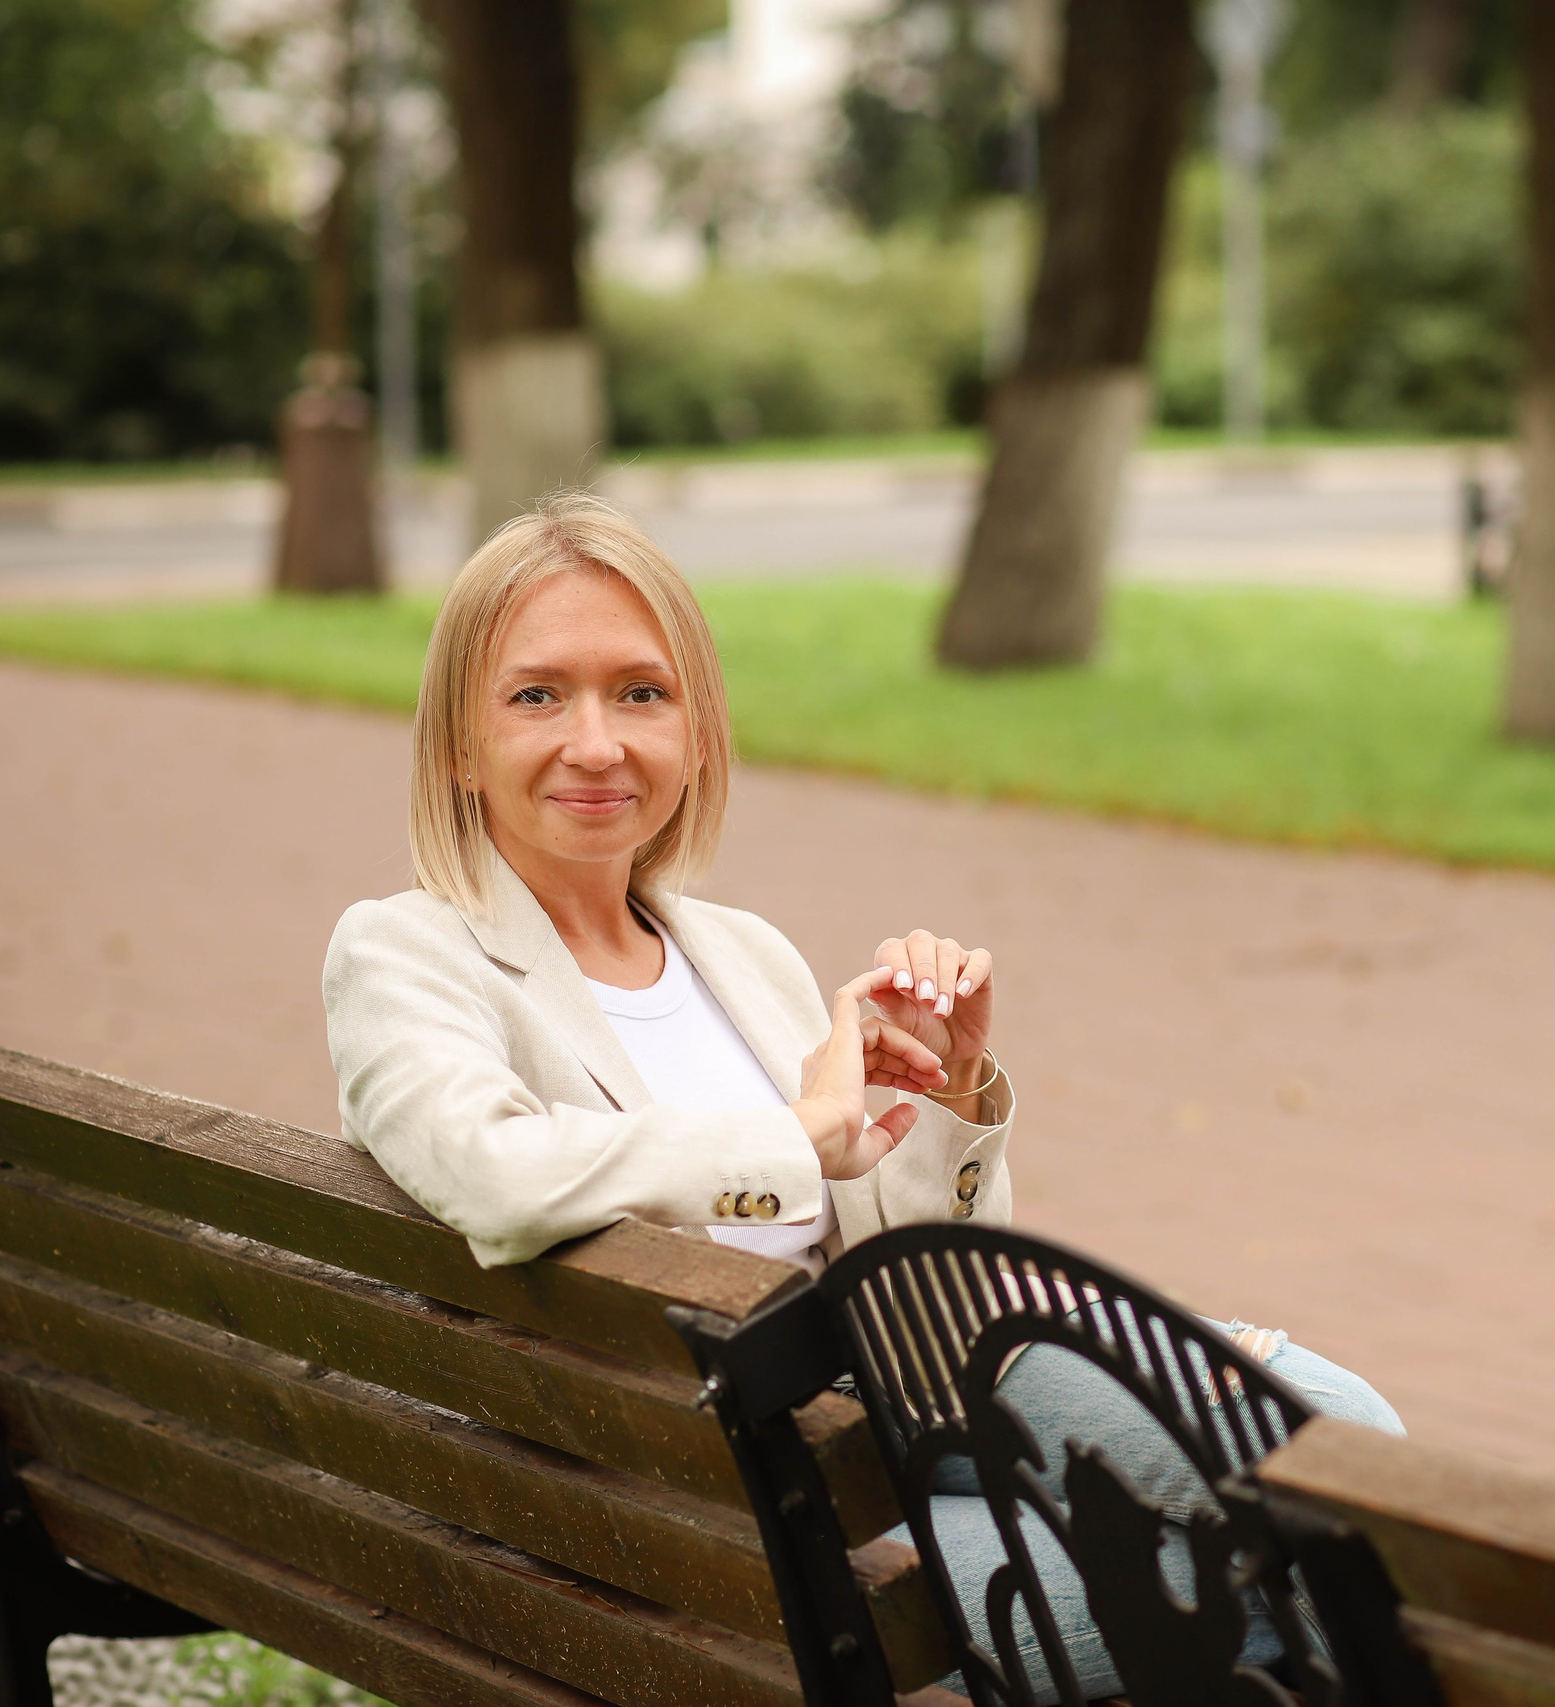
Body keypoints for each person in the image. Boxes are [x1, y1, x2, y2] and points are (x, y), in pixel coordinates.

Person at [321, 491, 1397, 1701]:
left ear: (697, 732)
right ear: (458, 745)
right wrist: (791, 1139)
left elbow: (919, 1288)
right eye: (535, 696)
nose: (597, 742)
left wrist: (945, 1093)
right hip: (695, 1507)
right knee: (1288, 1584)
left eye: (641, 693)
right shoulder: (406, 954)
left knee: (1340, 1441)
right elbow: (494, 1176)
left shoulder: (742, 954)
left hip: (885, 1411)